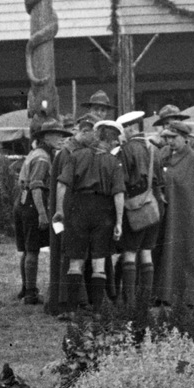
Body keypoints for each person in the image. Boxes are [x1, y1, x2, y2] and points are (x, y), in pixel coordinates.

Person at [53, 116, 125, 314]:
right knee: (98, 262)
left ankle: (71, 310)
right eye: (115, 142)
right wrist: (119, 222)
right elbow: (118, 194)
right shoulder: (113, 162)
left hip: (78, 208)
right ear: (111, 141)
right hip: (103, 211)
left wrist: (59, 210)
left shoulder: (76, 156)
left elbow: (61, 184)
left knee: (75, 261)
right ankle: (98, 310)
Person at [153, 121, 194, 310]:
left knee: (187, 251)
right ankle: (163, 292)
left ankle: (188, 294)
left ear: (184, 138)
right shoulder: (164, 154)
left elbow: (190, 189)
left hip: (185, 213)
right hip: (166, 212)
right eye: (167, 138)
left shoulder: (192, 158)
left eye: (174, 138)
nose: (170, 141)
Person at [14, 118, 69, 305]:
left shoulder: (36, 152)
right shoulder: (43, 158)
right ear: (46, 137)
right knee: (32, 249)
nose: (61, 138)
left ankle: (26, 288)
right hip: (32, 204)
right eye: (57, 135)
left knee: (27, 249)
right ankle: (31, 293)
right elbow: (36, 187)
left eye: (62, 135)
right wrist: (42, 214)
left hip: (23, 202)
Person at [115, 110, 163, 307]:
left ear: (131, 128)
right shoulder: (154, 149)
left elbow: (122, 181)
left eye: (123, 129)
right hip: (154, 205)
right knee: (146, 252)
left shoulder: (126, 150)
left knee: (130, 253)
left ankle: (130, 302)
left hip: (134, 206)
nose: (121, 134)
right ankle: (145, 300)